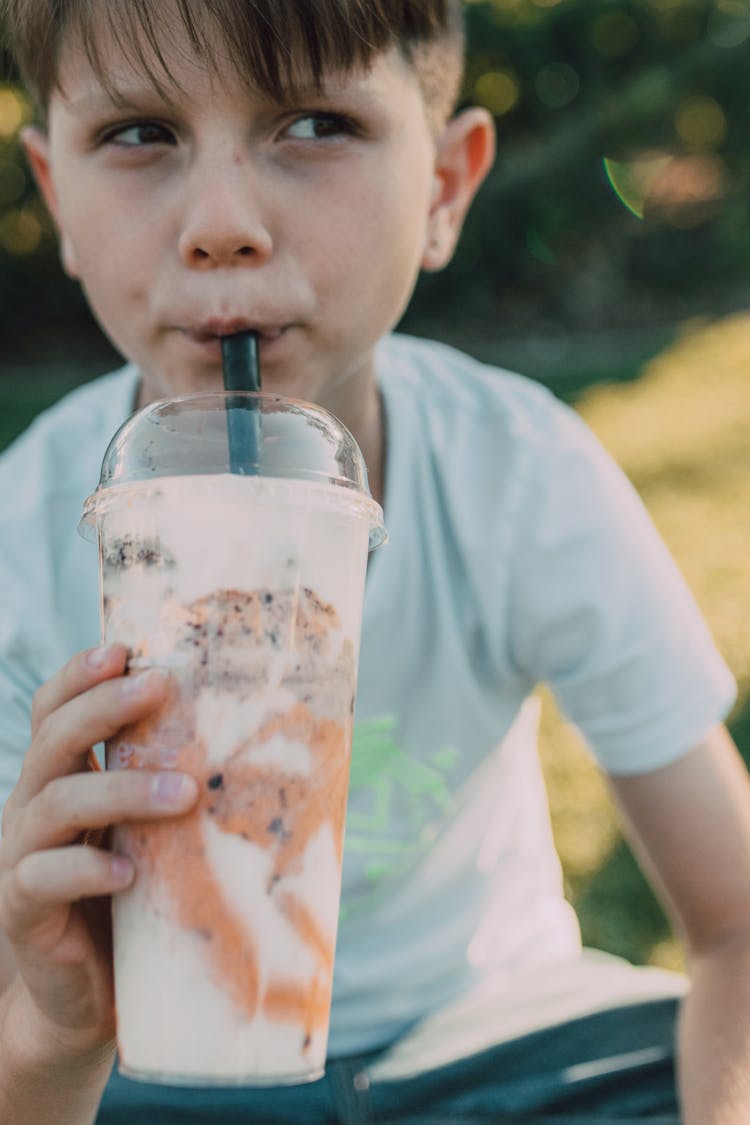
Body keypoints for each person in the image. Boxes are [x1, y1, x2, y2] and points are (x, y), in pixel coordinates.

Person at [1, 1, 750, 1122]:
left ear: (445, 186)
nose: (222, 223)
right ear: (56, 191)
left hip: (494, 1047)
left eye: (314, 124)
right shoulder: (23, 534)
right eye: (140, 134)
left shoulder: (520, 475)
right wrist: (54, 1047)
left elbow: (735, 923)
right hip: (157, 1075)